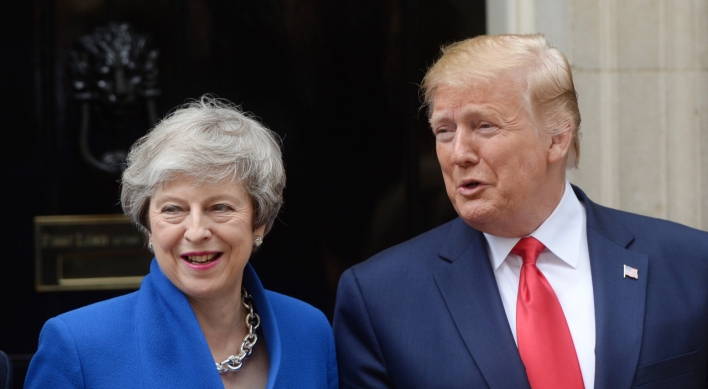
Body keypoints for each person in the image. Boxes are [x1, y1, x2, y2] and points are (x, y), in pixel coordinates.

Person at [334, 34, 708, 389]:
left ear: (557, 137)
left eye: (483, 125)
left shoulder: (691, 265)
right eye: (444, 131)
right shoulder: (382, 298)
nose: (459, 153)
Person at [26, 96, 338, 389]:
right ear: (148, 226)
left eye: (220, 208)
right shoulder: (77, 346)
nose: (196, 231)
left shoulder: (310, 332)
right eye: (173, 209)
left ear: (259, 222)